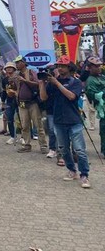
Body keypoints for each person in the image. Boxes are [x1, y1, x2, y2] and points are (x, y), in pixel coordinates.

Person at [39, 56, 91, 188]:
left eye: (62, 66)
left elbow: (71, 96)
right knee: (63, 149)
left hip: (74, 120)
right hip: (58, 120)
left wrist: (57, 83)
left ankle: (84, 175)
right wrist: (42, 83)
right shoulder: (52, 82)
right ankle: (72, 170)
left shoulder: (75, 82)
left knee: (79, 150)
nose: (60, 68)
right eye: (58, 66)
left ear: (69, 67)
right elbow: (44, 98)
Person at [14, 56, 47, 154]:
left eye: (18, 62)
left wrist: (25, 80)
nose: (17, 65)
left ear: (23, 63)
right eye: (16, 63)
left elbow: (38, 84)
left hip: (32, 103)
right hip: (22, 103)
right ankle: (26, 145)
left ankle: (43, 146)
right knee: (24, 126)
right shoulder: (17, 75)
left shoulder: (31, 72)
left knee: (38, 125)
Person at [83, 56, 105, 158]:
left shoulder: (102, 77)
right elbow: (94, 95)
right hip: (102, 107)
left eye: (99, 66)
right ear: (90, 68)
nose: (99, 68)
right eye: (96, 66)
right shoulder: (90, 80)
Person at [2, 62, 19, 145]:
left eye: (10, 67)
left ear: (14, 69)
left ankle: (24, 137)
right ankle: (12, 136)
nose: (8, 69)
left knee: (22, 119)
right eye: (7, 68)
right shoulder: (4, 80)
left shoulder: (18, 78)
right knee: (9, 119)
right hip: (9, 101)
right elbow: (4, 91)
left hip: (19, 100)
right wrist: (2, 102)